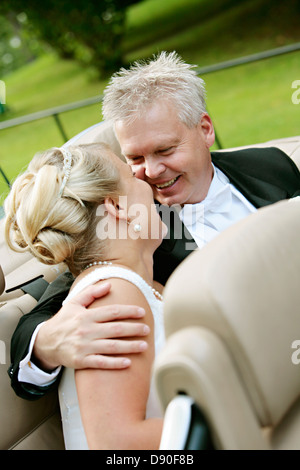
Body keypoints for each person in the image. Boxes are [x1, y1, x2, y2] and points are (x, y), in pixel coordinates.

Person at [8, 51, 300, 402]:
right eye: (134, 158)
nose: (150, 171)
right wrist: (45, 345)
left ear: (205, 130)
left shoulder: (270, 164)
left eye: (165, 150)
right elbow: (39, 317)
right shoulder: (134, 232)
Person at [5, 143, 167, 449]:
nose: (144, 181)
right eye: (131, 176)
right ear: (117, 207)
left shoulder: (135, 287)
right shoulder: (111, 296)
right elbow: (117, 447)